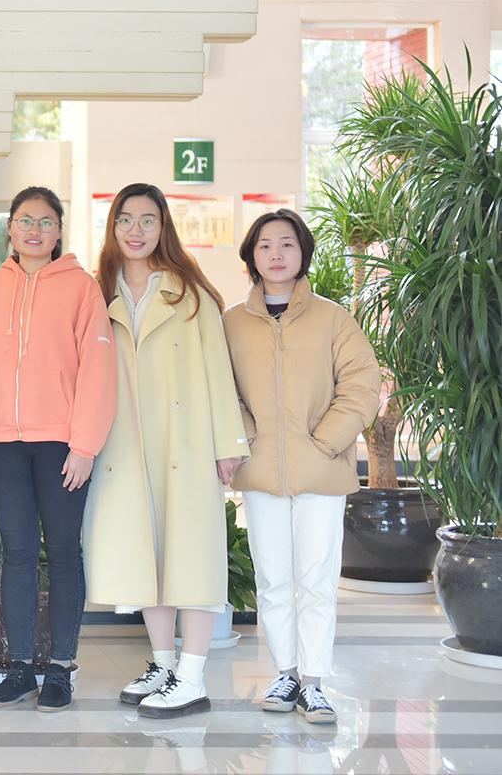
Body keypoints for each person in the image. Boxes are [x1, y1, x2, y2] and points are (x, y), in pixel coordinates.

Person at [82, 182, 249, 719]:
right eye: (125, 219)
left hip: (186, 443)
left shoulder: (190, 293)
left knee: (192, 556)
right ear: (112, 227)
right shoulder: (97, 293)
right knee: (145, 557)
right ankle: (163, 664)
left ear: (164, 227)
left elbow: (219, 373)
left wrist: (227, 444)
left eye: (147, 220)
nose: (136, 230)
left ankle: (192, 677)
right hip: (124, 446)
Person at [0, 186, 117, 712]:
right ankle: (22, 669)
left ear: (59, 231)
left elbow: (98, 369)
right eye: (25, 220)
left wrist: (85, 444)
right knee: (18, 553)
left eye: (46, 222)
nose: (34, 230)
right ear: (10, 227)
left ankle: (61, 669)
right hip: (2, 442)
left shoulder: (81, 288)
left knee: (65, 552)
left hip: (62, 444)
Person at [225, 208, 380, 725]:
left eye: (287, 244)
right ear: (251, 256)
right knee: (272, 579)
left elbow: (362, 384)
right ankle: (285, 672)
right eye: (265, 245)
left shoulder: (333, 318)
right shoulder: (231, 322)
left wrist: (326, 441)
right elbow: (221, 390)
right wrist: (248, 438)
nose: (276, 253)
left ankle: (313, 682)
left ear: (303, 253)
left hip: (321, 470)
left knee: (316, 579)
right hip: (260, 470)